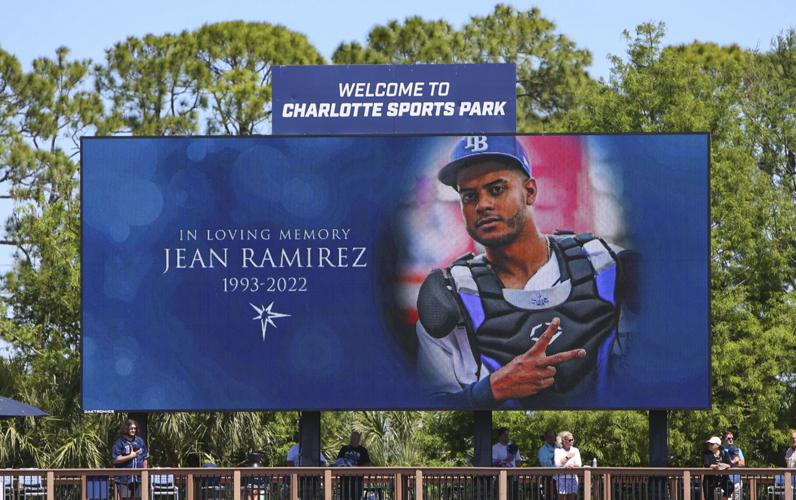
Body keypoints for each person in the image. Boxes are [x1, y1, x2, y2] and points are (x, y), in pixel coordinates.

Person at [415, 135, 637, 408]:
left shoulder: (605, 264)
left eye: (496, 189)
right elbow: (427, 410)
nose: (482, 205)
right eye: (469, 196)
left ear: (530, 191)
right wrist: (491, 390)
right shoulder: (448, 299)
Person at [111, 418, 149, 499]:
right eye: (131, 428)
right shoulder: (119, 442)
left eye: (135, 428)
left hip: (138, 478)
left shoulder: (140, 441)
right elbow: (115, 459)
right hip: (124, 478)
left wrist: (144, 473)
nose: (133, 430)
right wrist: (131, 456)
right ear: (126, 429)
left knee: (138, 498)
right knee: (125, 498)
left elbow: (145, 457)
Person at [335, 431, 371, 500]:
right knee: (344, 497)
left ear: (358, 440)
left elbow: (368, 465)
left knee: (356, 497)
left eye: (355, 438)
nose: (353, 440)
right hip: (344, 479)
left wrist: (356, 467)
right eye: (352, 438)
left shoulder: (363, 450)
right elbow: (338, 462)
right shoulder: (344, 449)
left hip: (357, 480)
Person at [553, 431, 581, 500]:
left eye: (572, 439)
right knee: (562, 498)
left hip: (573, 478)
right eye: (569, 440)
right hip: (561, 478)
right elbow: (557, 464)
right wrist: (568, 457)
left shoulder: (576, 450)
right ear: (564, 441)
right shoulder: (558, 451)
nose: (571, 441)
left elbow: (579, 464)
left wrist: (572, 466)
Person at [721, 431, 745, 499]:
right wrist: (733, 461)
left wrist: (731, 463)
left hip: (737, 481)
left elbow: (742, 463)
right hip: (725, 482)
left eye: (732, 438)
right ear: (723, 440)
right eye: (728, 438)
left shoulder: (737, 450)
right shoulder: (721, 451)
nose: (731, 440)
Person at [538, 430, 558, 499]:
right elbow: (544, 463)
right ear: (546, 438)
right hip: (548, 478)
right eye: (549, 437)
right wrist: (554, 458)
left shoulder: (560, 447)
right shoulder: (542, 450)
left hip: (560, 477)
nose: (551, 438)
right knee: (549, 497)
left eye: (553, 436)